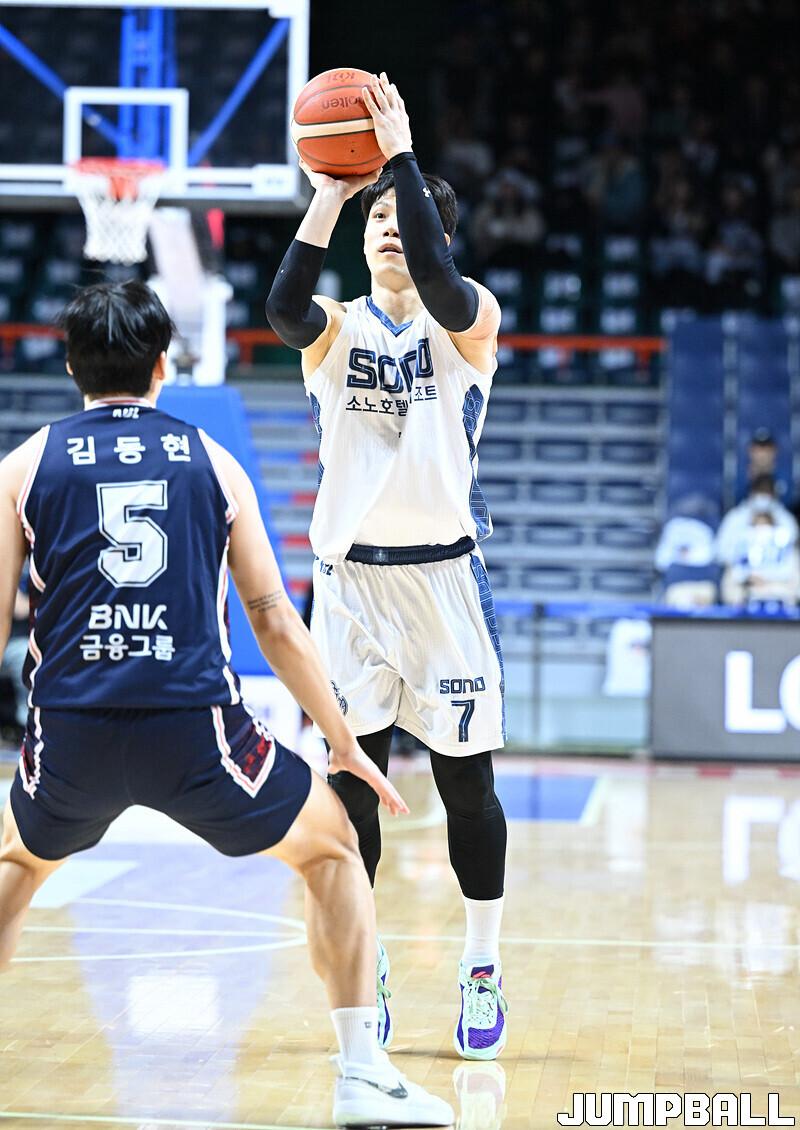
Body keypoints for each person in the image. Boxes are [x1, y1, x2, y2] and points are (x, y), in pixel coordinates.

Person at [0, 280, 453, 1130]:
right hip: (195, 731)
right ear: (162, 366)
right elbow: (274, 619)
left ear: (70, 367)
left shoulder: (23, 467)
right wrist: (343, 741)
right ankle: (362, 1072)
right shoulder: (212, 459)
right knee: (334, 850)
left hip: (71, 732)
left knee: (17, 864)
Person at [266, 72, 508, 1061]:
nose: (388, 232)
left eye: (403, 222)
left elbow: (443, 285)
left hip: (444, 581)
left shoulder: (470, 318)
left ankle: (481, 964)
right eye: (378, 224)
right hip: (351, 589)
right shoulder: (334, 329)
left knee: (466, 786)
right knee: (352, 790)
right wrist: (332, 193)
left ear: (436, 237)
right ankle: (366, 969)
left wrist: (401, 156)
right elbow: (283, 306)